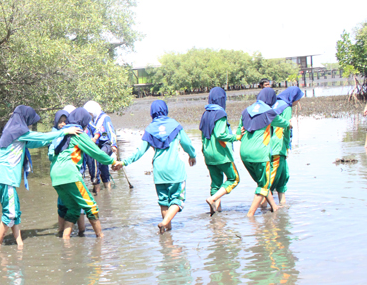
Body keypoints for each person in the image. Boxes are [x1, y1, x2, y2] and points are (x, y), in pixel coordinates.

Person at [0, 105, 78, 248]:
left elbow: (36, 141)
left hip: (2, 177)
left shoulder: (12, 130)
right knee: (10, 213)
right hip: (5, 178)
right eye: (30, 121)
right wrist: (65, 131)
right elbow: (40, 136)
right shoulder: (17, 131)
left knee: (14, 210)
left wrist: (53, 139)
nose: (30, 124)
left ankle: (19, 244)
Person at [114, 100, 196, 234]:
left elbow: (139, 152)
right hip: (175, 171)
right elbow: (187, 143)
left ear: (152, 113)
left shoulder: (150, 130)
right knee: (178, 199)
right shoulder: (175, 126)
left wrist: (123, 162)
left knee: (164, 201)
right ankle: (164, 223)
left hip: (159, 173)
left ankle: (167, 231)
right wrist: (192, 155)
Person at [49, 108, 116, 240]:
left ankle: (65, 241)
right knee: (91, 206)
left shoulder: (62, 132)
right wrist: (113, 161)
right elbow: (95, 152)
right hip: (69, 174)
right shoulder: (78, 132)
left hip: (55, 176)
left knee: (73, 209)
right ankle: (101, 239)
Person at [234, 87, 290, 216]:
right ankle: (250, 215)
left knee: (262, 182)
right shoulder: (269, 112)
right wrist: (289, 124)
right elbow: (282, 123)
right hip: (259, 153)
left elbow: (238, 133)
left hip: (244, 153)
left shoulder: (245, 111)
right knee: (264, 185)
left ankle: (274, 207)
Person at [199, 87, 240, 215]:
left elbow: (202, 135)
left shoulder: (205, 113)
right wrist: (236, 137)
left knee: (216, 183)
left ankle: (217, 212)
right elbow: (220, 134)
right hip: (221, 154)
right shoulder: (220, 113)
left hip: (208, 154)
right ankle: (213, 199)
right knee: (234, 179)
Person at [49, 110, 85, 236]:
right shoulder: (56, 136)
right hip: (69, 175)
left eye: (65, 121)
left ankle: (77, 232)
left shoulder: (71, 133)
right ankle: (69, 233)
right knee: (74, 205)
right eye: (60, 122)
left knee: (68, 205)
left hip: (65, 176)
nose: (63, 124)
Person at [270, 87, 303, 204]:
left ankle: (282, 204)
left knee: (283, 173)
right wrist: (287, 146)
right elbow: (286, 127)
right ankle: (264, 206)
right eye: (298, 99)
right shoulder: (286, 107)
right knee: (274, 178)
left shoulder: (275, 103)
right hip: (278, 145)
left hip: (269, 143)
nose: (298, 102)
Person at [83, 101, 118, 193]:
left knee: (100, 158)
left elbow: (111, 131)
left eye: (90, 113)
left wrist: (114, 145)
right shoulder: (91, 120)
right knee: (100, 164)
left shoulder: (105, 118)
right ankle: (102, 188)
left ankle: (106, 187)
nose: (89, 115)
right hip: (97, 145)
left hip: (107, 143)